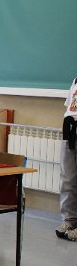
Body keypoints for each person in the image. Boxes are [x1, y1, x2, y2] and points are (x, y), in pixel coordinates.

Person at [57, 76, 77, 241]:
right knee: (67, 178)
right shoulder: (75, 80)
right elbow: (69, 106)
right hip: (70, 131)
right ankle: (69, 219)